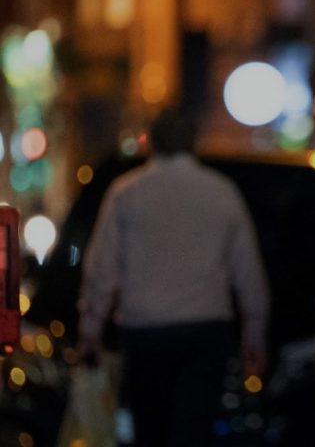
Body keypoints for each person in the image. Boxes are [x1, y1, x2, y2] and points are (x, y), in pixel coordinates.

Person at [78, 107, 270, 447]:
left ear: (152, 141)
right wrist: (254, 335)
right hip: (206, 330)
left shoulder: (126, 192)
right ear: (193, 140)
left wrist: (90, 331)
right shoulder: (222, 192)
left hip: (144, 331)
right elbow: (248, 271)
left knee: (149, 429)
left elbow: (102, 269)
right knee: (194, 430)